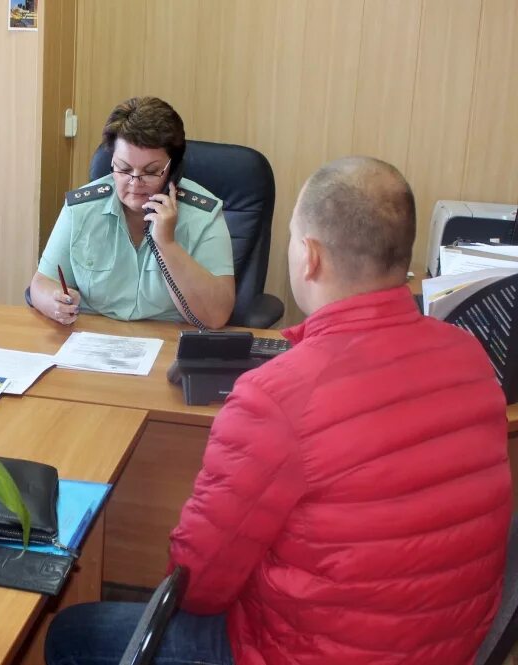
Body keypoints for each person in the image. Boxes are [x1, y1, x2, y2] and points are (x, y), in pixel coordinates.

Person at [45, 157, 511, 664]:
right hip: (448, 645)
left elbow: (197, 585)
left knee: (73, 633)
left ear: (308, 257)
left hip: (309, 653)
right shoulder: (471, 357)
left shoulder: (276, 397)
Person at [30, 96, 235, 329]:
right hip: (94, 341)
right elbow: (41, 283)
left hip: (169, 344)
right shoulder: (81, 207)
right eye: (124, 169)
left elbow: (216, 316)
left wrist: (167, 245)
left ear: (173, 169)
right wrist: (54, 302)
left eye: (151, 171)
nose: (135, 183)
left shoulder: (204, 215)